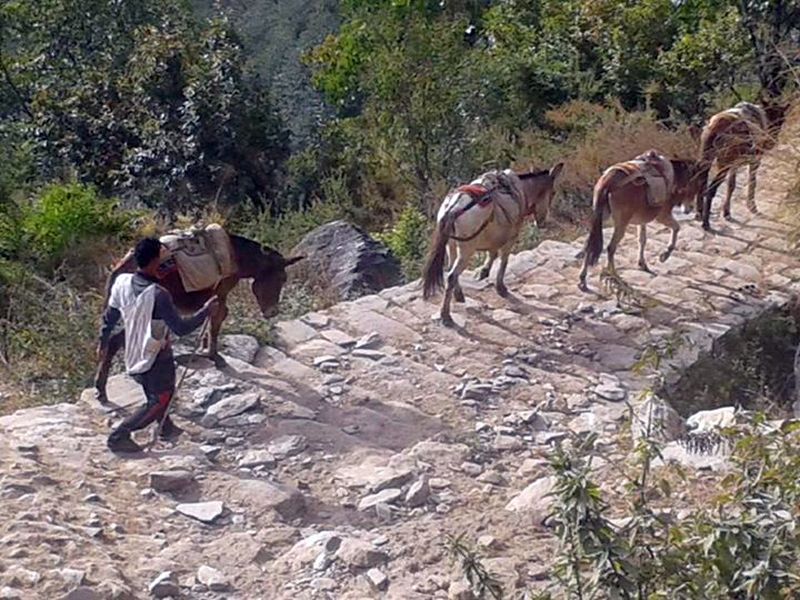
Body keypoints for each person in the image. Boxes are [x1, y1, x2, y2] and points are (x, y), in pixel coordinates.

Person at [98, 237, 219, 453]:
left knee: (156, 390)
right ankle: (119, 435)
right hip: (155, 352)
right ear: (156, 261)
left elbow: (110, 317)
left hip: (132, 348)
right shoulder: (158, 294)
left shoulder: (122, 282)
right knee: (161, 397)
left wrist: (103, 341)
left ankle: (166, 427)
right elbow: (181, 328)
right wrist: (206, 311)